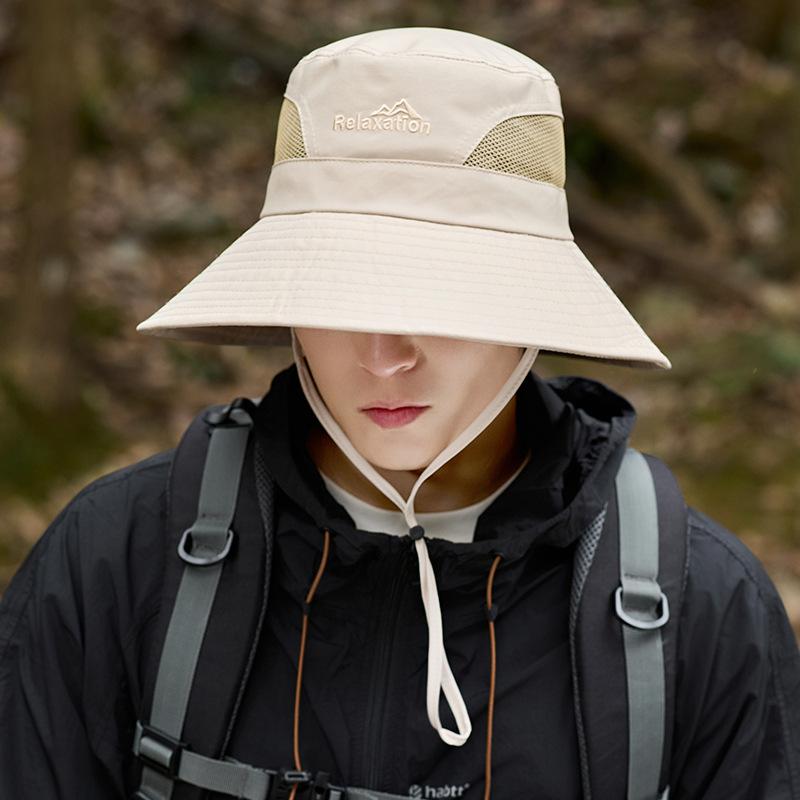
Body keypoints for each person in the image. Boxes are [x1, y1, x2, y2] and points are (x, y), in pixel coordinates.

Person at [1, 25, 799, 800]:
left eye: (437, 295)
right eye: (339, 292)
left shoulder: (699, 609)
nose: (384, 357)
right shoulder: (119, 564)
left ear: (529, 306)